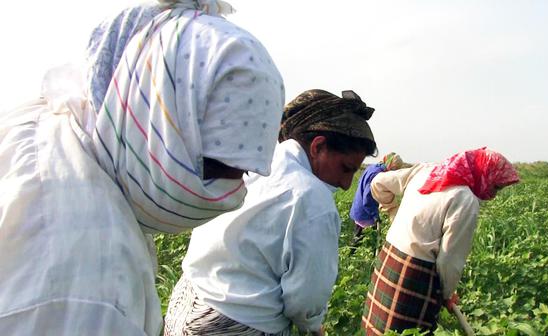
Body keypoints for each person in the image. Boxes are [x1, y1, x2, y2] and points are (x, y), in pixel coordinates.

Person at [0, 1, 284, 335]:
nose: (231, 193)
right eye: (214, 167)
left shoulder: (49, 130)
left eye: (244, 171)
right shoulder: (93, 289)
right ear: (153, 119)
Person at [164, 89, 377, 336]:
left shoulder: (254, 159)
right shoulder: (312, 198)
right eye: (346, 168)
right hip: (235, 323)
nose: (346, 184)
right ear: (318, 147)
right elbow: (306, 298)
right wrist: (313, 326)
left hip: (185, 303)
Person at [361, 148, 520, 335]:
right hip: (415, 274)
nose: (494, 193)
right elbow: (449, 261)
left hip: (388, 259)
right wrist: (446, 294)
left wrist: (391, 210)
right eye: (496, 186)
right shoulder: (465, 199)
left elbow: (379, 182)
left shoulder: (426, 171)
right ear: (484, 174)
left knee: (377, 328)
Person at [349, 152, 403, 247]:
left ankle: (351, 256)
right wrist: (375, 216)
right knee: (368, 240)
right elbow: (367, 200)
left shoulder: (372, 167)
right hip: (364, 212)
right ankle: (354, 258)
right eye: (394, 169)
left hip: (358, 206)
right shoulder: (377, 175)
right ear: (390, 165)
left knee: (357, 237)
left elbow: (360, 183)